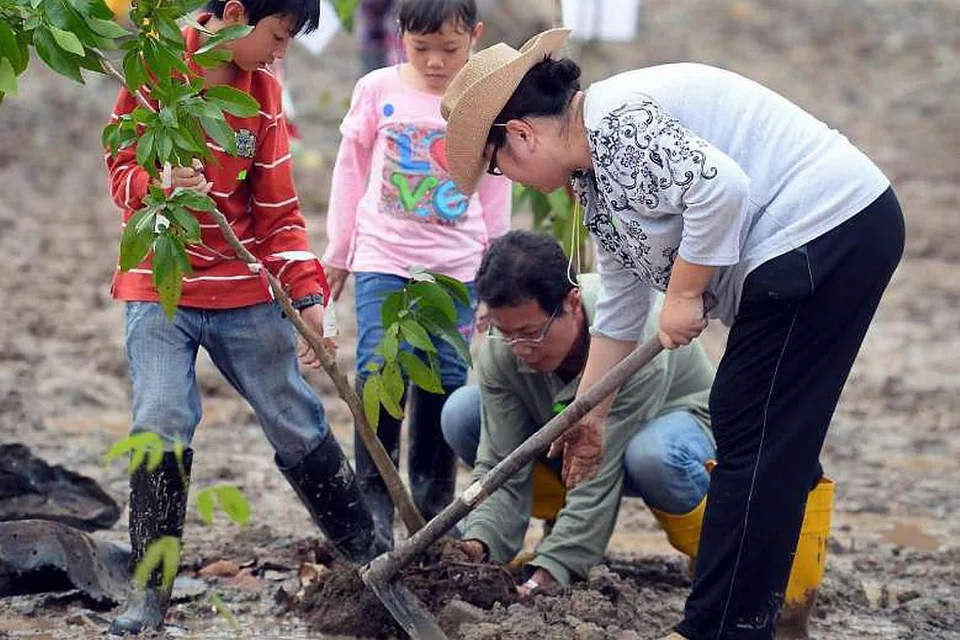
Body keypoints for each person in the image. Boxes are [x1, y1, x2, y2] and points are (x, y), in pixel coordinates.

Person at [441, 29, 905, 639]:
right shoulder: (592, 177)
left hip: (825, 230)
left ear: (521, 134)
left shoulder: (615, 122)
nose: (508, 179)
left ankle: (720, 628)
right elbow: (622, 307)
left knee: (754, 436)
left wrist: (685, 293)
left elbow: (721, 188)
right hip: (814, 245)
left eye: (498, 166)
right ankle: (739, 620)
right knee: (761, 436)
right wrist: (592, 413)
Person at [104, 0, 384, 633]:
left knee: (292, 413)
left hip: (243, 288)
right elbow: (119, 170)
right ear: (233, 13)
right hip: (160, 280)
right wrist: (162, 185)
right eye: (277, 36)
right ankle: (148, 596)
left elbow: (278, 213)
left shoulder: (263, 97)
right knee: (161, 419)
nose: (279, 51)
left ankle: (368, 555)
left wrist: (309, 295)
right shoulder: (156, 67)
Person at [322, 0, 511, 547]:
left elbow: (497, 186)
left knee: (447, 374)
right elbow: (349, 173)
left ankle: (432, 501)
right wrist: (339, 251)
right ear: (399, 35)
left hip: (455, 269)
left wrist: (491, 264)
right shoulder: (378, 90)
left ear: (474, 36)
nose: (435, 62)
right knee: (381, 362)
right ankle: (374, 499)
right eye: (421, 48)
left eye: (450, 49)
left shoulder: (483, 99)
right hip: (383, 257)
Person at [441, 230, 716, 598]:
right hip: (573, 442)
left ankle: (717, 550)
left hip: (677, 435)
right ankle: (557, 523)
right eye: (506, 333)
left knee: (653, 455)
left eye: (531, 333)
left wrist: (553, 569)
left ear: (572, 303)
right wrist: (477, 547)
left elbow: (596, 469)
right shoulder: (503, 348)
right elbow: (499, 463)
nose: (520, 348)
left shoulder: (632, 339)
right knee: (462, 414)